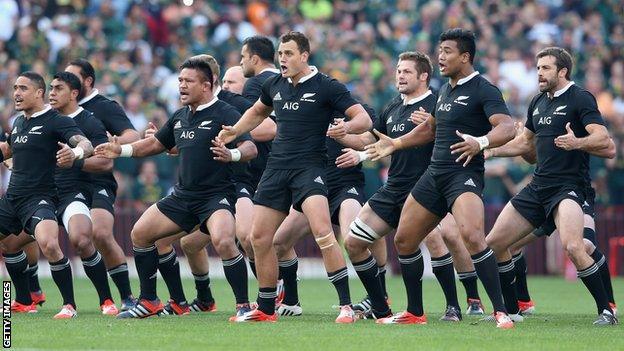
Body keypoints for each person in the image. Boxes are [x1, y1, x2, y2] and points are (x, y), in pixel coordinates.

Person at [365, 28, 516, 328]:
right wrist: (394, 143)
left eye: (447, 51)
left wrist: (481, 142)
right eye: (440, 50)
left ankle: (501, 311)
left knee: (472, 237)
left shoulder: (483, 89)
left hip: (463, 175)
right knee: (405, 240)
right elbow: (430, 128)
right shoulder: (445, 89)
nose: (441, 56)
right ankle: (415, 312)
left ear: (465, 56)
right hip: (434, 175)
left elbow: (507, 127)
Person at [219, 31, 372, 323]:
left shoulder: (327, 86)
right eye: (280, 54)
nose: (282, 59)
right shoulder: (274, 84)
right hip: (276, 169)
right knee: (259, 238)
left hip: (310, 169)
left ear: (304, 55)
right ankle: (265, 309)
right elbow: (256, 112)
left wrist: (347, 129)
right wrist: (234, 131)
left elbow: (362, 118)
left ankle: (345, 307)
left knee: (323, 234)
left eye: (288, 53)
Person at [95, 56, 257, 319]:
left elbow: (250, 148)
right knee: (140, 234)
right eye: (180, 80)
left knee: (224, 241)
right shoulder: (180, 116)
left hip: (216, 196)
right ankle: (149, 301)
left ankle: (243, 306)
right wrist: (121, 150)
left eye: (188, 81)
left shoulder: (226, 112)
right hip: (183, 196)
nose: (181, 86)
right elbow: (154, 145)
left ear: (206, 85)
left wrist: (232, 155)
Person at [484, 47, 618, 325]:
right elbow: (525, 144)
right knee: (494, 243)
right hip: (538, 186)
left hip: (569, 187)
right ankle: (512, 311)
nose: (539, 74)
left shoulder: (580, 98)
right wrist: (489, 149)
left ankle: (606, 311)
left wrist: (577, 142)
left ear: (562, 71)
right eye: (537, 68)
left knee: (574, 246)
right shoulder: (537, 101)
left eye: (545, 68)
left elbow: (604, 139)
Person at [1, 71, 93, 318]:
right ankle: (23, 301)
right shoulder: (19, 121)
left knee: (50, 244)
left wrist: (75, 154)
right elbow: (10, 150)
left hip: (39, 198)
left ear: (39, 92)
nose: (16, 93)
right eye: (15, 88)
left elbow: (85, 144)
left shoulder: (56, 120)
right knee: (9, 245)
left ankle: (69, 306)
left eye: (22, 88)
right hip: (12, 199)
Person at [272, 103, 376, 317]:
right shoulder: (307, 111)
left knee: (353, 239)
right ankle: (291, 301)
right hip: (313, 188)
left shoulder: (359, 112)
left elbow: (373, 140)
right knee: (279, 242)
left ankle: (378, 298)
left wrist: (354, 147)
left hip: (346, 187)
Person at [65, 59, 140, 311]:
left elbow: (132, 135)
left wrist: (115, 142)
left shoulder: (104, 107)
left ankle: (127, 297)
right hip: (64, 183)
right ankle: (27, 295)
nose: (66, 83)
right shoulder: (57, 109)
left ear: (86, 82)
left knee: (100, 234)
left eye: (72, 77)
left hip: (97, 179)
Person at [238, 35, 279, 276]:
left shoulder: (255, 85)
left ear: (254, 58)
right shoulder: (287, 81)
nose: (241, 62)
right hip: (289, 165)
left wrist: (234, 132)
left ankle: (274, 292)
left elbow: (267, 128)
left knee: (253, 236)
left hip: (260, 170)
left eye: (243, 57)